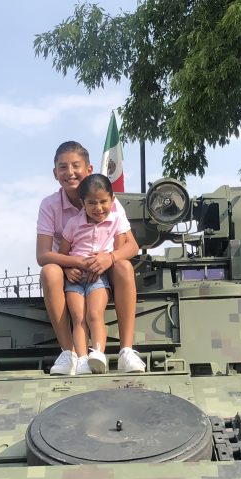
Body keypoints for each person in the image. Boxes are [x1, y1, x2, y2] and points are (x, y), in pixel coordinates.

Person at [36, 141, 145, 375]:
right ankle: (68, 353)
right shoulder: (49, 206)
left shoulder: (109, 201)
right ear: (55, 173)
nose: (70, 172)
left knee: (125, 267)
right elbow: (43, 255)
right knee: (50, 271)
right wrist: (71, 265)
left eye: (76, 165)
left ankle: (126, 350)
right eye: (63, 167)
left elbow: (132, 245)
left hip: (105, 269)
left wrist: (110, 258)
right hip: (69, 272)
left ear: (89, 169)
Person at [58, 174, 133, 374]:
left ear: (112, 199)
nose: (98, 208)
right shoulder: (73, 224)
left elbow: (121, 249)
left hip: (98, 277)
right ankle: (82, 359)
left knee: (94, 314)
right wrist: (66, 269)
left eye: (103, 202)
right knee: (78, 316)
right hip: (75, 279)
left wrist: (107, 261)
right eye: (91, 203)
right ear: (82, 203)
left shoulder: (116, 220)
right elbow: (62, 254)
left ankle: (98, 353)